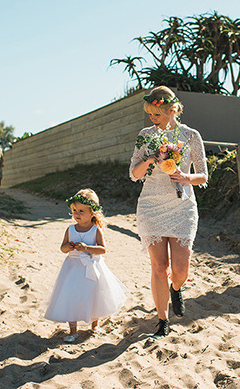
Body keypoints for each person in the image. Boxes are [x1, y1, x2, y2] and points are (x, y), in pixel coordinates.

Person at [129, 86, 208, 337]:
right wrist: (150, 160)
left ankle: (177, 288)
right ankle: (162, 320)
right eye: (150, 114)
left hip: (182, 206)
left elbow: (203, 175)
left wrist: (185, 176)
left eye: (157, 114)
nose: (152, 118)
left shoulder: (191, 136)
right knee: (159, 267)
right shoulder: (145, 135)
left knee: (180, 270)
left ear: (171, 109)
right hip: (151, 206)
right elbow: (134, 174)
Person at [44, 189, 127, 342]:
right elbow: (62, 248)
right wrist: (68, 247)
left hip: (92, 268)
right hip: (73, 268)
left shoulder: (96, 230)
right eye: (74, 210)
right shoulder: (70, 229)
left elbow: (103, 249)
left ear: (92, 212)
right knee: (71, 296)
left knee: (94, 295)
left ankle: (95, 325)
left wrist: (87, 248)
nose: (77, 214)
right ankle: (73, 330)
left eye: (81, 211)